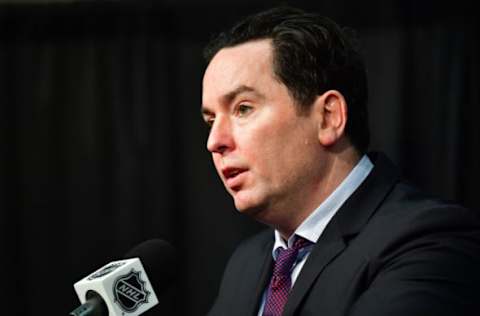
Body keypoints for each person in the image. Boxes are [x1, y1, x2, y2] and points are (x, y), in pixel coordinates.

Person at [200, 6, 480, 316]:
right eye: (211, 119)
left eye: (243, 109)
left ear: (328, 117)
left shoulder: (429, 241)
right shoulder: (247, 262)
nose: (214, 141)